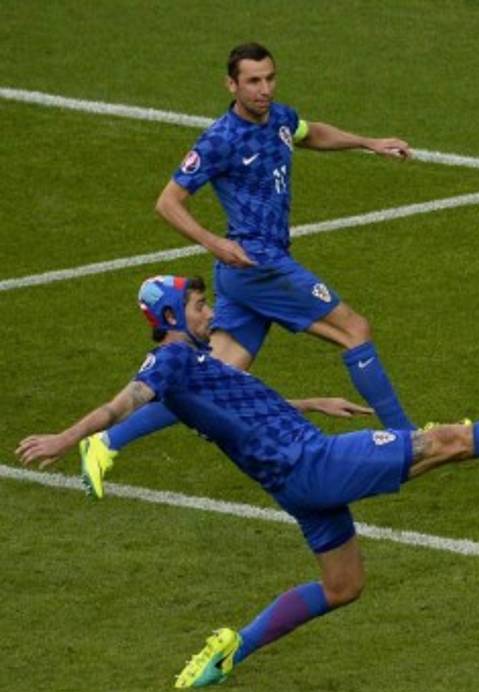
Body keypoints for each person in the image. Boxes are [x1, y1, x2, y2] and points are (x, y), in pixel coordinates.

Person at [18, 275, 479, 688]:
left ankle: (233, 648)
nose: (212, 312)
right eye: (200, 306)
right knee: (450, 442)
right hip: (312, 466)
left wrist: (311, 401)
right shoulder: (171, 362)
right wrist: (67, 439)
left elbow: (240, 404)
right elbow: (121, 404)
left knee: (343, 586)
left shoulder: (196, 367)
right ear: (174, 316)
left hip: (298, 478)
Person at [78, 42, 416, 500]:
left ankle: (104, 443)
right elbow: (167, 202)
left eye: (270, 78)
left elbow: (309, 132)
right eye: (253, 82)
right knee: (355, 329)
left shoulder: (278, 117)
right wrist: (216, 242)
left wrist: (368, 143)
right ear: (231, 84)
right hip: (258, 264)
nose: (264, 90)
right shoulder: (220, 139)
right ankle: (407, 440)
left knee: (207, 382)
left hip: (249, 272)